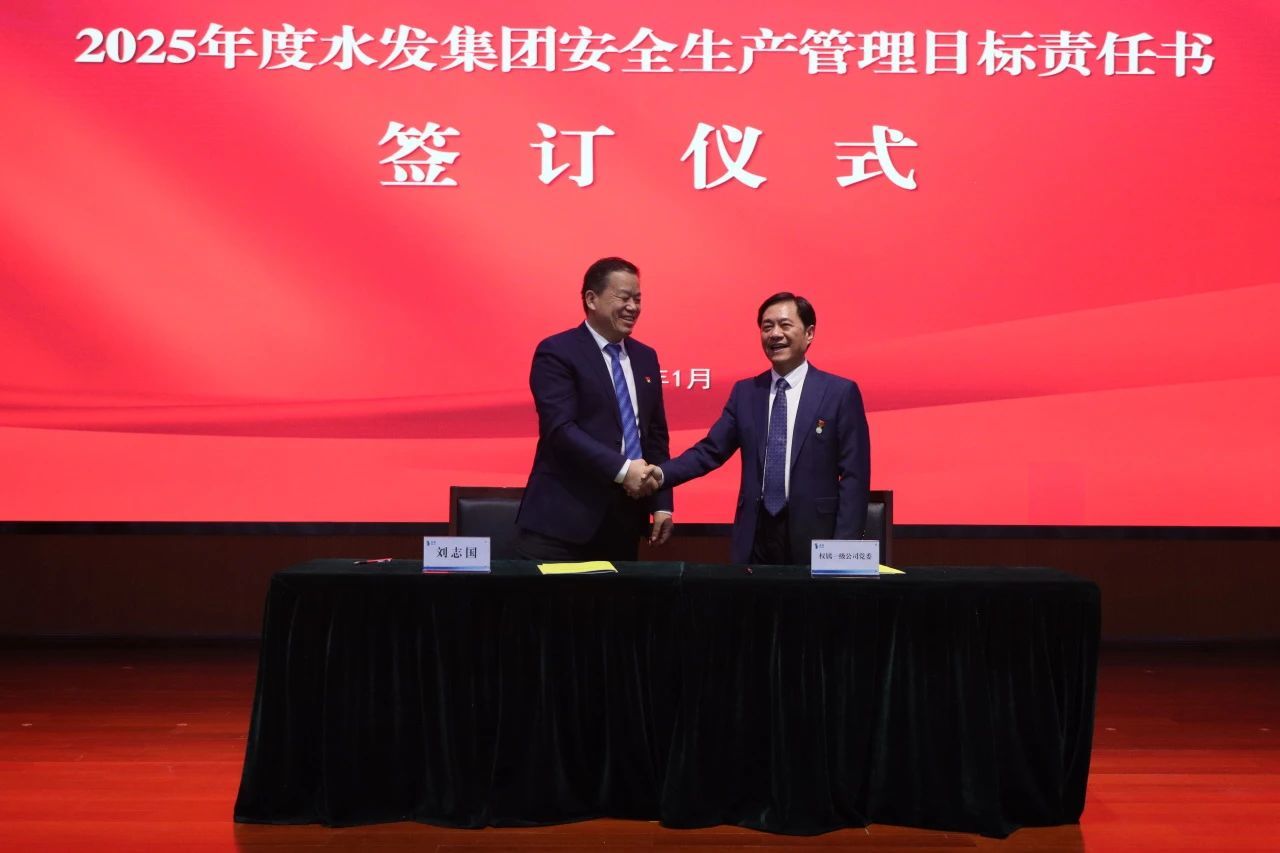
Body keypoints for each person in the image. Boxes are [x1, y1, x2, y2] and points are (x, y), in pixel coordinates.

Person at [647, 292, 869, 564]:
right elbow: (710, 451)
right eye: (767, 327)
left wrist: (844, 552)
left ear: (809, 333)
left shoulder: (839, 393)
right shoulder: (746, 393)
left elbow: (855, 476)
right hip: (755, 534)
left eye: (785, 325)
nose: (775, 334)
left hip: (817, 535)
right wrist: (660, 474)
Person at [515, 257, 674, 561]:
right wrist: (624, 470)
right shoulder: (557, 352)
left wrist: (662, 504)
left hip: (623, 523)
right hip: (561, 524)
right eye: (624, 297)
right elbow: (561, 430)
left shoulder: (646, 357)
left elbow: (655, 436)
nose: (633, 307)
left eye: (638, 299)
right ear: (591, 299)